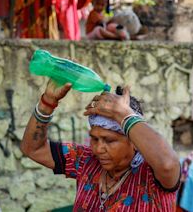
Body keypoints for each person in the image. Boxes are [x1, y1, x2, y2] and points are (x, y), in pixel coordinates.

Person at [21, 80, 181, 211]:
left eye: (109, 140)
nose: (98, 149)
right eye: (94, 139)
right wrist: (47, 102)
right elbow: (33, 149)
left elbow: (168, 164)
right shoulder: (86, 161)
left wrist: (122, 114)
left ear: (134, 142)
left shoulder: (152, 176)